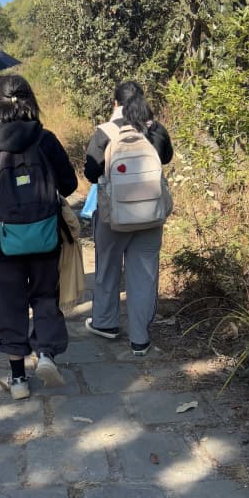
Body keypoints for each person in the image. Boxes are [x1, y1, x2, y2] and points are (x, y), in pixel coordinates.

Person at [0, 74, 78, 399]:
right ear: (29, 100)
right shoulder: (46, 139)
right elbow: (69, 185)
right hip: (45, 235)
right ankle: (45, 355)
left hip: (1, 241)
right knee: (44, 296)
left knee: (7, 304)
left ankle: (17, 380)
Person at [83, 80, 173, 355]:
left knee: (107, 268)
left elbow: (90, 173)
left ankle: (105, 323)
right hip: (150, 215)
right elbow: (166, 157)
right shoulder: (155, 129)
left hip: (113, 216)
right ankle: (140, 339)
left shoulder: (104, 133)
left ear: (115, 103)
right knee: (144, 274)